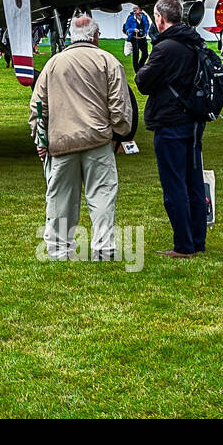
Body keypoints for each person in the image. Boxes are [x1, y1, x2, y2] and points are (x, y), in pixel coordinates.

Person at [28, 14, 132, 260]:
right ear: (96, 36)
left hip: (62, 142)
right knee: (102, 196)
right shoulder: (108, 61)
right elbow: (119, 106)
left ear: (71, 37)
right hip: (98, 140)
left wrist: (41, 140)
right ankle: (104, 249)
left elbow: (38, 107)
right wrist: (120, 132)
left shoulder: (53, 64)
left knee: (59, 199)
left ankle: (58, 249)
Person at [135, 0, 209, 258]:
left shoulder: (165, 48)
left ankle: (184, 245)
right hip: (192, 121)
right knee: (193, 182)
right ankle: (197, 239)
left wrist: (142, 69)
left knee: (174, 185)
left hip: (170, 121)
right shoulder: (194, 42)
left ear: (160, 18)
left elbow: (143, 82)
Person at [123, 5, 151, 72]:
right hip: (134, 38)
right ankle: (137, 71)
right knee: (136, 55)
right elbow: (126, 28)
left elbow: (147, 24)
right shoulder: (130, 18)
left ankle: (140, 66)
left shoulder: (144, 16)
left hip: (142, 38)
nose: (134, 9)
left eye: (137, 8)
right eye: (134, 8)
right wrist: (133, 29)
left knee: (145, 54)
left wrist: (145, 31)